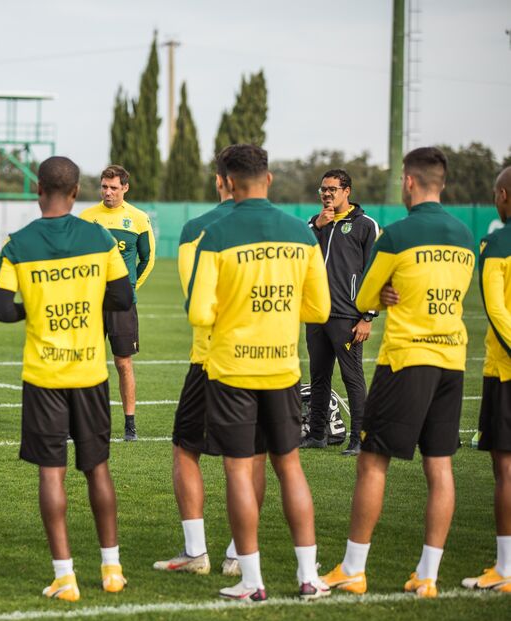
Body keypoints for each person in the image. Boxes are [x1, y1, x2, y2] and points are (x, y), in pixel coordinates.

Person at [322, 147, 476, 598]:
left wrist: (386, 293)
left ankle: (353, 568)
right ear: (441, 182)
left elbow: (367, 294)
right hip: (452, 361)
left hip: (407, 359)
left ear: (409, 182)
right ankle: (427, 575)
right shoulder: (465, 234)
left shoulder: (398, 233)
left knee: (372, 465)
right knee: (440, 467)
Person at [188, 144, 331, 602]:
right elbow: (320, 309)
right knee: (290, 467)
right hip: (283, 368)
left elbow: (198, 311)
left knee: (238, 471)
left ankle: (252, 580)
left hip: (232, 369)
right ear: (268, 179)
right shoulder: (302, 233)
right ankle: (309, 578)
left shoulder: (216, 233)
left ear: (227, 183)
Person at [0, 156, 133, 601]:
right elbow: (124, 296)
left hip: (44, 375)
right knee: (97, 469)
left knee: (51, 474)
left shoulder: (18, 243)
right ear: (75, 194)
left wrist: (30, 308)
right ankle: (112, 570)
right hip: (90, 371)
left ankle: (65, 576)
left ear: (38, 191)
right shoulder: (99, 235)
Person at [154, 147, 267, 577]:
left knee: (187, 449)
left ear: (220, 180)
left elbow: (197, 299)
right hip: (269, 360)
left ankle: (196, 551)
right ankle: (240, 555)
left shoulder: (198, 229)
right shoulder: (285, 229)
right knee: (254, 457)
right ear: (265, 178)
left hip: (211, 358)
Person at [301, 169, 379, 455]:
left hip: (348, 317)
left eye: (332, 189)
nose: (326, 194)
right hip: (316, 315)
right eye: (323, 189)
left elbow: (376, 273)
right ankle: (317, 434)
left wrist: (368, 316)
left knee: (352, 377)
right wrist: (317, 227)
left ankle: (360, 439)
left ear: (347, 191)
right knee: (319, 376)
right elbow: (298, 252)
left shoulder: (365, 225)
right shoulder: (315, 222)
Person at [79, 165, 155, 440]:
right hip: (91, 304)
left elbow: (148, 259)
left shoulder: (137, 218)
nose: (107, 192)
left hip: (122, 305)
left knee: (123, 363)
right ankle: (83, 421)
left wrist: (131, 289)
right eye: (104, 187)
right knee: (86, 361)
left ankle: (129, 424)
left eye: (113, 187)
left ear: (125, 188)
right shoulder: (87, 217)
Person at [463, 166, 511, 594]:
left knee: (506, 470)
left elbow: (496, 312)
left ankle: (505, 567)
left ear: (503, 196)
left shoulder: (496, 243)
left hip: (506, 370)